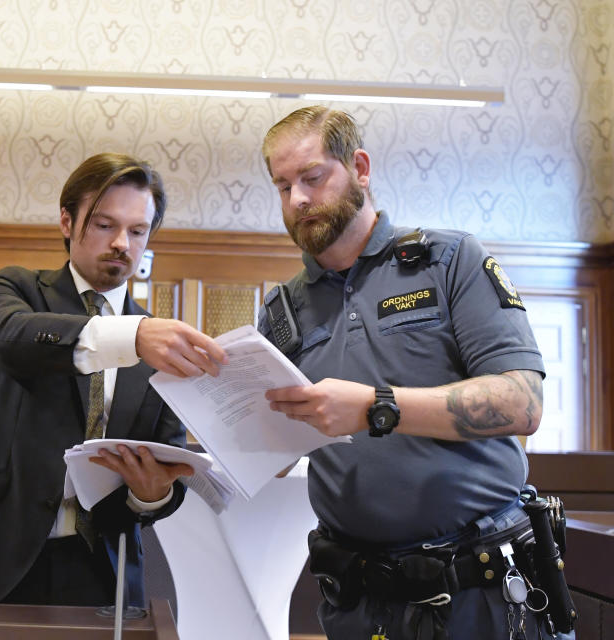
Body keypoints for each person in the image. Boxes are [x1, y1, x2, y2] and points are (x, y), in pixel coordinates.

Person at [258, 106, 573, 639]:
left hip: (484, 596)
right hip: (358, 601)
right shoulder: (282, 311)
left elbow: (523, 403)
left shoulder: (449, 261)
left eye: (313, 177)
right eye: (282, 186)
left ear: (359, 167)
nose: (298, 200)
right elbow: (270, 454)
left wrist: (377, 407)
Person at [0, 152, 227, 607]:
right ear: (67, 221)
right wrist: (131, 337)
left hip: (103, 563)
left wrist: (152, 495)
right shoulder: (17, 289)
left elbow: (169, 465)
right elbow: (6, 337)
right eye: (105, 225)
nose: (122, 242)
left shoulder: (161, 342)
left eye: (138, 231)